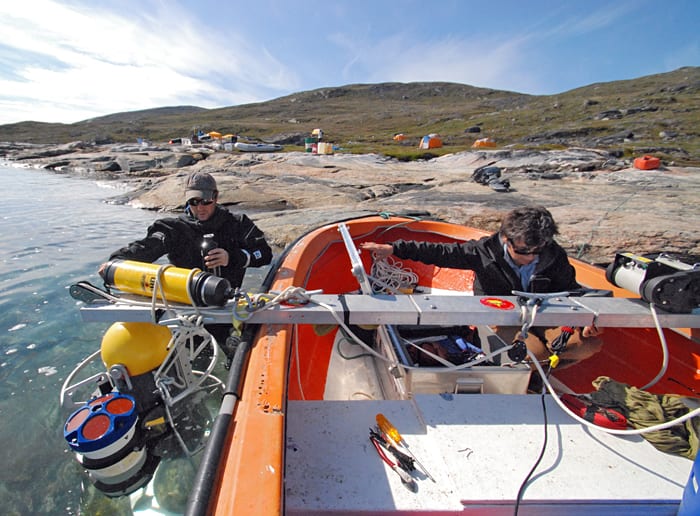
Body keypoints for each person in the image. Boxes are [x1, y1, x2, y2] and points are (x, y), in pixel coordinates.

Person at [360, 205, 603, 374]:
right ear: (507, 239)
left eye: (537, 251)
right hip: (500, 316)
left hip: (545, 313)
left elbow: (570, 290)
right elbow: (441, 252)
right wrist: (394, 249)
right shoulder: (483, 252)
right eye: (523, 252)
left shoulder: (554, 255)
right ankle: (530, 376)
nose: (531, 258)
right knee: (530, 356)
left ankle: (539, 368)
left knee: (587, 345)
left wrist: (583, 322)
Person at [99, 171, 273, 347]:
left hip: (227, 307)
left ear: (216, 197)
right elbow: (147, 247)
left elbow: (265, 253)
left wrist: (233, 257)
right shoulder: (173, 229)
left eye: (206, 201)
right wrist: (118, 261)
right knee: (191, 361)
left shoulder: (237, 223)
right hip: (186, 311)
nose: (200, 207)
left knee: (236, 354)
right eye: (194, 202)